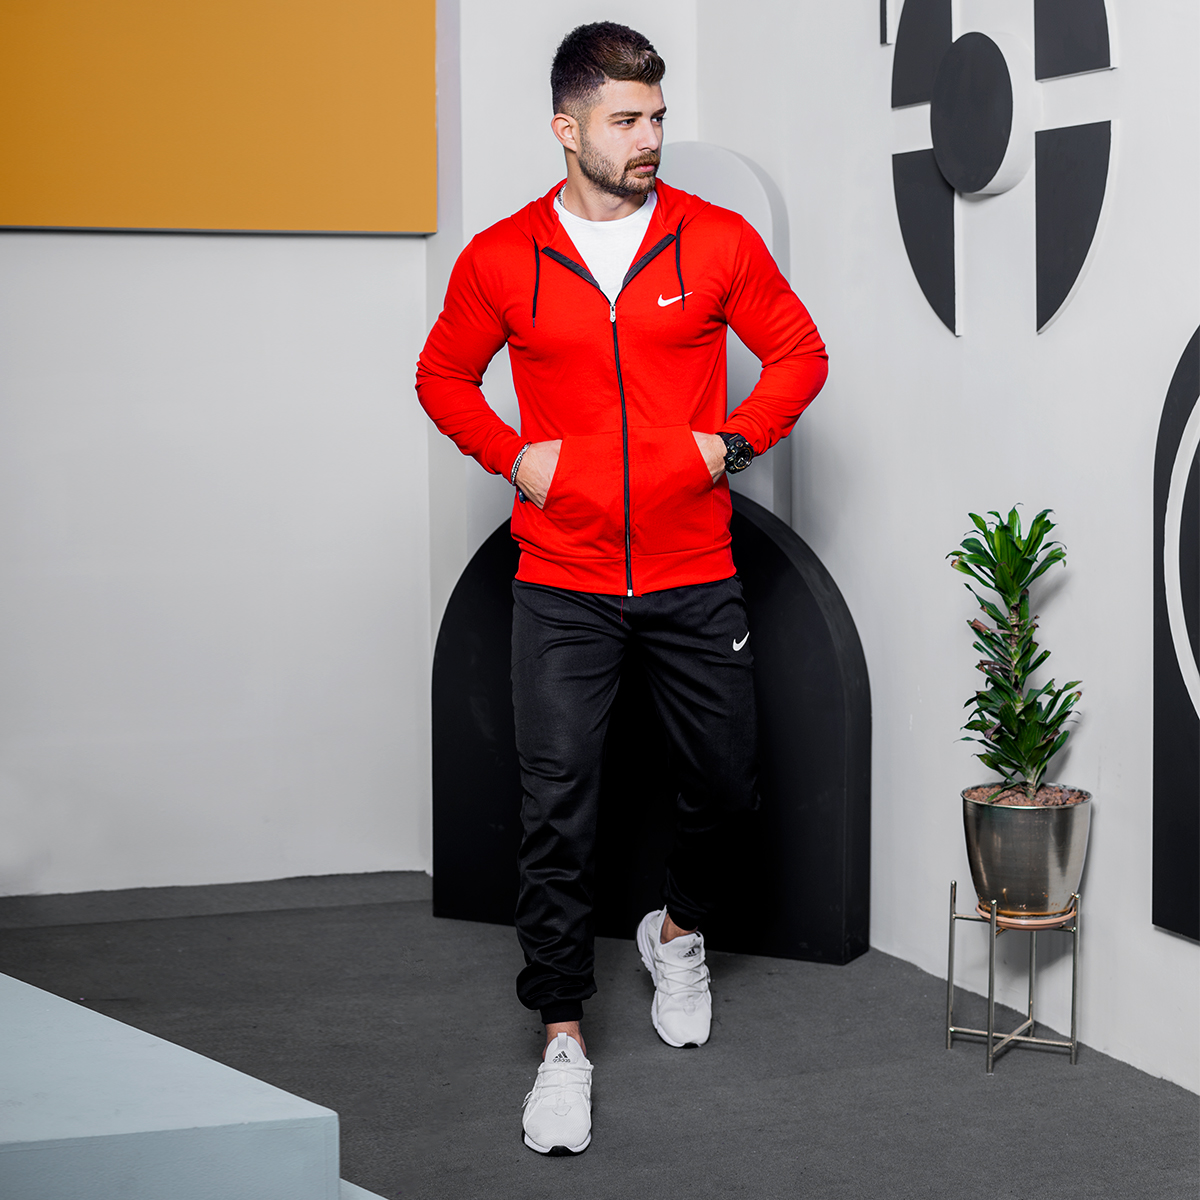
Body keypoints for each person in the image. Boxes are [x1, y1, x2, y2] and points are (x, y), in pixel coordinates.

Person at [416, 21, 827, 1155]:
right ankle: (562, 1040)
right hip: (563, 579)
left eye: (657, 117)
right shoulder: (502, 258)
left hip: (694, 569)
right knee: (558, 808)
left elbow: (798, 354)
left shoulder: (715, 239)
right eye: (626, 120)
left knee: (727, 782)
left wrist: (728, 444)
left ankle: (677, 933)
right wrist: (515, 458)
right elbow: (443, 375)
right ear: (567, 128)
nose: (650, 138)